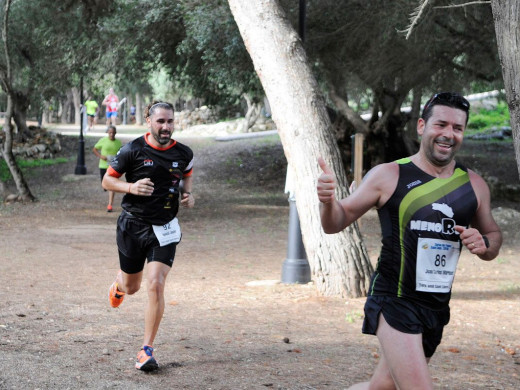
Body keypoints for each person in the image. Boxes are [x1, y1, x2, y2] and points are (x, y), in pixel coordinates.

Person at [316, 92, 502, 389]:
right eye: (440, 124)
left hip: (436, 307)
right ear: (421, 126)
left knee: (381, 387)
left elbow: (493, 236)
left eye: (457, 128)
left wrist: (485, 245)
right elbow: (336, 221)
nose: (448, 134)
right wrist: (327, 202)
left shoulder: (474, 185)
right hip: (395, 299)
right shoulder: (389, 176)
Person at [102, 101, 195, 372]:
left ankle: (146, 350)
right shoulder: (132, 150)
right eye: (160, 122)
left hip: (164, 228)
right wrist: (131, 187)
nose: (166, 127)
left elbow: (186, 178)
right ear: (148, 121)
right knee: (133, 287)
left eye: (170, 122)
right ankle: (119, 285)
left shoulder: (184, 153)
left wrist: (188, 195)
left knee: (156, 284)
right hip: (132, 225)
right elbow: (108, 181)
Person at [92, 125, 122, 212]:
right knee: (104, 185)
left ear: (115, 133)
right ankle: (106, 187)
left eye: (113, 133)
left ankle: (110, 205)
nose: (111, 134)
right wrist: (101, 156)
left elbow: (120, 153)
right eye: (110, 132)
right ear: (108, 133)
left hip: (113, 167)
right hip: (103, 165)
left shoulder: (118, 142)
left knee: (111, 186)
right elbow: (94, 149)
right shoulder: (103, 140)